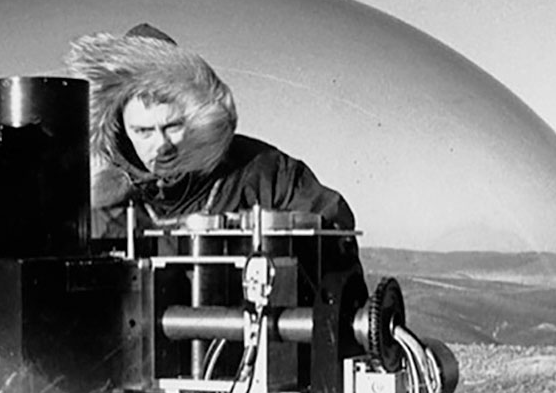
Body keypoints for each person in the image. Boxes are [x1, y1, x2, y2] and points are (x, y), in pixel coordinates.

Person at [65, 23, 359, 240]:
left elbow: (333, 232)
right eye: (143, 131)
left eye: (173, 126)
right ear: (119, 130)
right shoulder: (95, 199)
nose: (162, 145)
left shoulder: (265, 174)